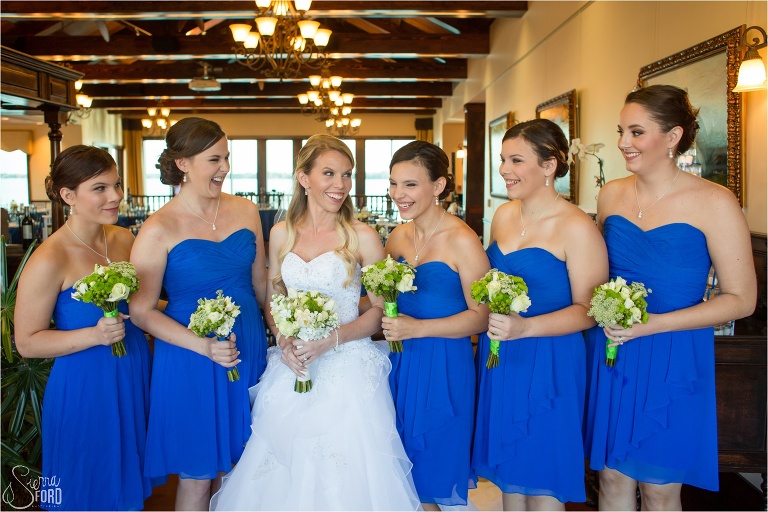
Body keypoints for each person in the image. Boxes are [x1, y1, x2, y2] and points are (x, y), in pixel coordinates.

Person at [210, 134, 420, 510]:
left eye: (347, 175)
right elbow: (276, 296)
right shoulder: (280, 234)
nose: (340, 185)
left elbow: (378, 312)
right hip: (293, 365)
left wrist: (331, 340)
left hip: (348, 369)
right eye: (329, 173)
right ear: (303, 178)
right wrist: (284, 339)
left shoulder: (362, 236)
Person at [585, 85, 756, 510]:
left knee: (661, 489)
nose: (624, 142)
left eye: (637, 132)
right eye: (621, 130)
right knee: (611, 478)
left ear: (673, 136)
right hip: (613, 347)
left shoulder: (715, 201)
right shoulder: (611, 195)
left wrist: (654, 324)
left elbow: (741, 299)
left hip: (674, 351)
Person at [129, 117, 269, 510]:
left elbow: (262, 284)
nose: (225, 167)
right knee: (197, 475)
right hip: (190, 354)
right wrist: (203, 346)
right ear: (184, 164)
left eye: (226, 157)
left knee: (242, 467)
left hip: (247, 346)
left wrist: (284, 333)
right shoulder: (158, 228)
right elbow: (140, 310)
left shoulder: (246, 210)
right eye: (214, 159)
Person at [472, 119, 608, 510]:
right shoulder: (502, 216)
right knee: (509, 483)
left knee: (544, 481)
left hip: (551, 362)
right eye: (503, 160)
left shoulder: (577, 227)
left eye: (516, 160)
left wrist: (526, 326)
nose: (504, 170)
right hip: (502, 359)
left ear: (549, 166)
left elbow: (590, 310)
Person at [14, 145, 153, 510]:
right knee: (86, 481)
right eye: (101, 188)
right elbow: (27, 342)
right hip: (86, 384)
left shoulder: (123, 239)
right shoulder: (50, 257)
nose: (117, 196)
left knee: (125, 480)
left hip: (133, 371)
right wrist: (94, 335)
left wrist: (196, 313)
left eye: (117, 185)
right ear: (67, 195)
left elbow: (141, 307)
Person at [382, 140, 490, 508]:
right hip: (401, 362)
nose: (399, 194)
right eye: (394, 184)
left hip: (445, 364)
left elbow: (482, 316)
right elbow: (382, 299)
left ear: (439, 186)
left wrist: (419, 329)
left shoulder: (463, 241)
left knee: (437, 466)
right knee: (406, 474)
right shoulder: (397, 237)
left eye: (410, 184)